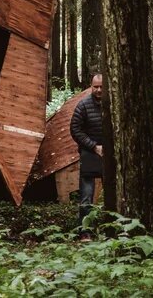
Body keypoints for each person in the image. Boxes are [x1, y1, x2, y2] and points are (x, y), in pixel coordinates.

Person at [69, 73, 104, 234]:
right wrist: (93, 146)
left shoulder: (112, 104)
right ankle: (85, 232)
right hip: (89, 154)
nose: (98, 90)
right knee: (86, 196)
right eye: (95, 86)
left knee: (114, 194)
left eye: (101, 87)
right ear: (91, 86)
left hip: (109, 156)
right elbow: (75, 129)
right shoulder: (83, 105)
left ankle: (112, 229)